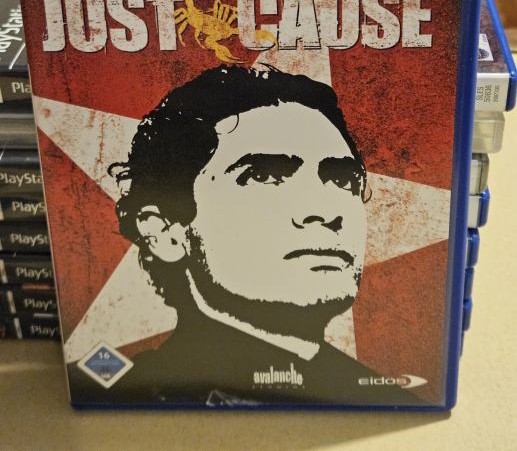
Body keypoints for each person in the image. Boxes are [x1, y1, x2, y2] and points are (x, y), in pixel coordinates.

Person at [71, 65, 420, 407]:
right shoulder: (123, 395)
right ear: (164, 233)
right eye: (265, 176)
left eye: (343, 180)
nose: (325, 211)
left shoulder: (389, 398)